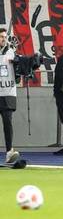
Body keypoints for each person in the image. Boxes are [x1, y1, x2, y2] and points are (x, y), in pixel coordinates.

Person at [0, 27, 17, 162]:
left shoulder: (12, 53)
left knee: (8, 123)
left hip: (8, 92)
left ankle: (9, 151)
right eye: (1, 37)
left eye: (4, 37)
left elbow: (18, 73)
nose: (3, 39)